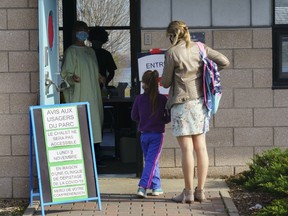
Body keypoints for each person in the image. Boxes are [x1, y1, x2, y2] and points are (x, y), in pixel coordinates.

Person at [160, 20, 230, 203]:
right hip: (200, 103)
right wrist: (208, 71)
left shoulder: (172, 53)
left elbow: (166, 82)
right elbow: (224, 61)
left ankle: (188, 192)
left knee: (186, 150)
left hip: (181, 104)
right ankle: (201, 191)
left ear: (172, 35)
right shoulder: (200, 48)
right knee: (201, 147)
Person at [60, 21, 105, 166]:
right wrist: (72, 78)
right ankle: (81, 161)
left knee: (95, 124)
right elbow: (64, 75)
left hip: (94, 94)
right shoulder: (71, 51)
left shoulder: (91, 52)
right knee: (82, 125)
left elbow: (94, 70)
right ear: (74, 32)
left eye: (85, 29)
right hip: (80, 93)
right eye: (80, 29)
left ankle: (94, 159)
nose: (83, 32)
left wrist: (99, 77)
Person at [131, 70, 171, 198]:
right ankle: (142, 187)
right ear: (156, 83)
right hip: (157, 135)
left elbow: (134, 116)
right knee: (151, 161)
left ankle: (156, 187)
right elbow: (167, 118)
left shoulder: (139, 99)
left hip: (144, 134)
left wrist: (144, 121)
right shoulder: (162, 99)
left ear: (143, 83)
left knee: (151, 161)